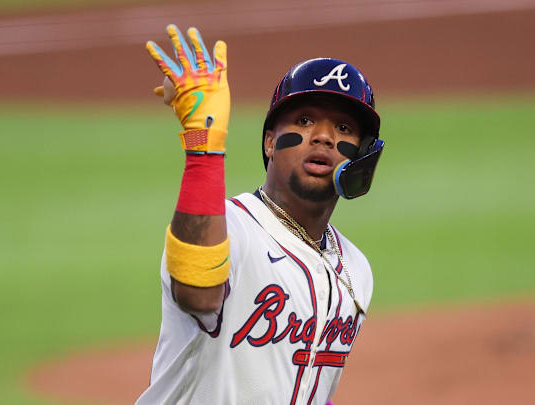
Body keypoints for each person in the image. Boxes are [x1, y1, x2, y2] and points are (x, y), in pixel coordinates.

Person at [136, 24, 385, 405]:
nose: (323, 136)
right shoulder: (227, 230)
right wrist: (204, 148)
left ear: (363, 154)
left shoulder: (356, 267)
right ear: (270, 141)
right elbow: (198, 294)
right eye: (303, 121)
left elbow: (305, 386)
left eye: (344, 127)